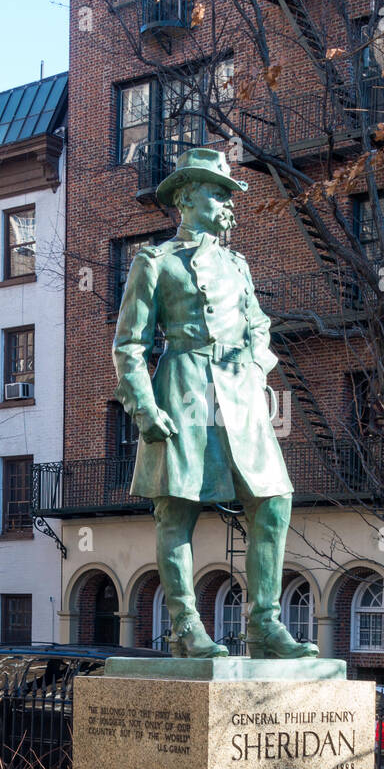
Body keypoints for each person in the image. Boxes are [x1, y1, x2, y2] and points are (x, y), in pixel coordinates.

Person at [112, 146, 319, 659]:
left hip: (238, 389)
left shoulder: (237, 264)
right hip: (182, 383)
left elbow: (259, 325)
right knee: (176, 509)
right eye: (217, 191)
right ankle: (185, 624)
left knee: (274, 498)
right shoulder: (155, 262)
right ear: (186, 197)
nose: (228, 203)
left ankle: (264, 625)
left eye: (230, 193)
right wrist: (143, 407)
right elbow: (129, 344)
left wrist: (254, 366)